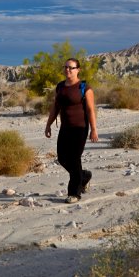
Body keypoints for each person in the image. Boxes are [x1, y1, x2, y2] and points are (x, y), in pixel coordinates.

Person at [45, 58, 98, 204]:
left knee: (74, 159)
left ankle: (74, 193)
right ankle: (84, 176)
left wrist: (93, 130)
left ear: (78, 70)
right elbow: (55, 107)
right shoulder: (60, 86)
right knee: (62, 158)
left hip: (80, 128)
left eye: (72, 68)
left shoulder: (84, 87)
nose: (68, 70)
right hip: (65, 128)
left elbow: (90, 110)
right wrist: (48, 124)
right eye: (66, 67)